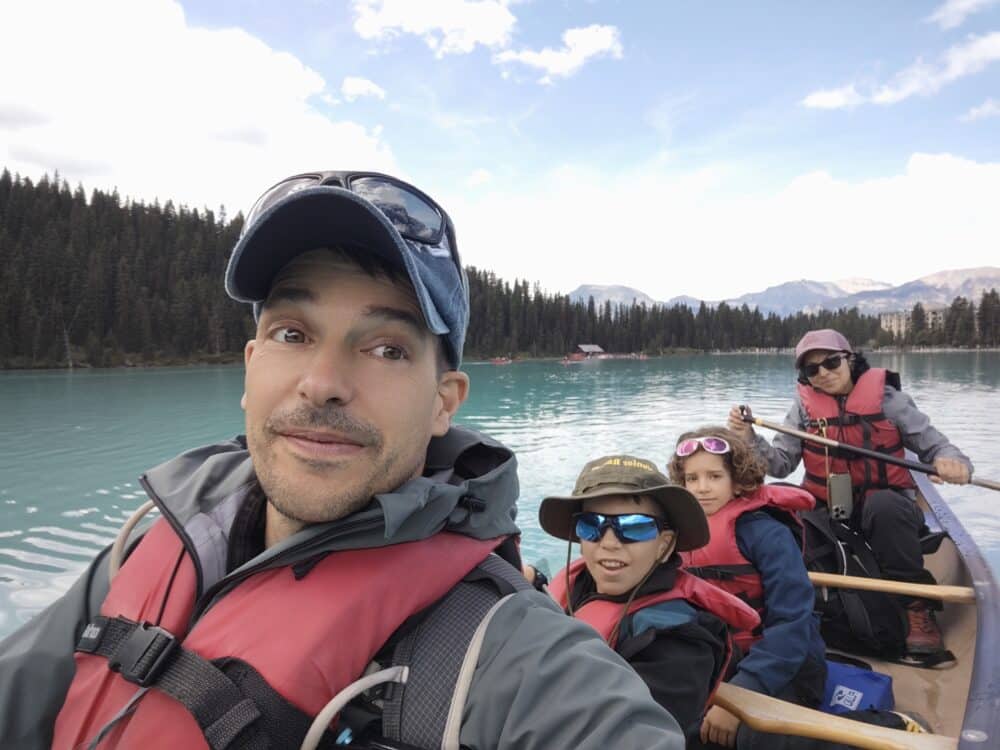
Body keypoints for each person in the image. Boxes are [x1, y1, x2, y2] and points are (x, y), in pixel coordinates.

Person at [0, 171, 687, 749]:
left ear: (445, 401)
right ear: (249, 367)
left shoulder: (510, 655)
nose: (323, 380)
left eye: (387, 347)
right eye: (292, 333)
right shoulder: (144, 550)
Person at [727, 328, 973, 656]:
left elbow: (936, 445)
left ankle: (915, 604)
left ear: (850, 359)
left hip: (885, 506)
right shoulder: (803, 409)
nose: (823, 373)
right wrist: (749, 437)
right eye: (812, 370)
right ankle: (788, 601)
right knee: (781, 504)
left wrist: (953, 462)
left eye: (831, 363)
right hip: (828, 505)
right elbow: (781, 464)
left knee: (884, 506)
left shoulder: (889, 400)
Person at [534, 454, 761, 745]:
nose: (609, 542)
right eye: (591, 525)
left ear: (664, 546)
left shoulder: (684, 642)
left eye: (633, 526)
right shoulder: (576, 586)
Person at [668, 427, 827, 749]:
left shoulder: (768, 536)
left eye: (714, 476)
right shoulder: (675, 537)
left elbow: (792, 623)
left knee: (748, 738)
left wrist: (744, 693)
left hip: (781, 665)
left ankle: (881, 726)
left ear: (738, 480)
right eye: (692, 479)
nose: (702, 488)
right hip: (713, 660)